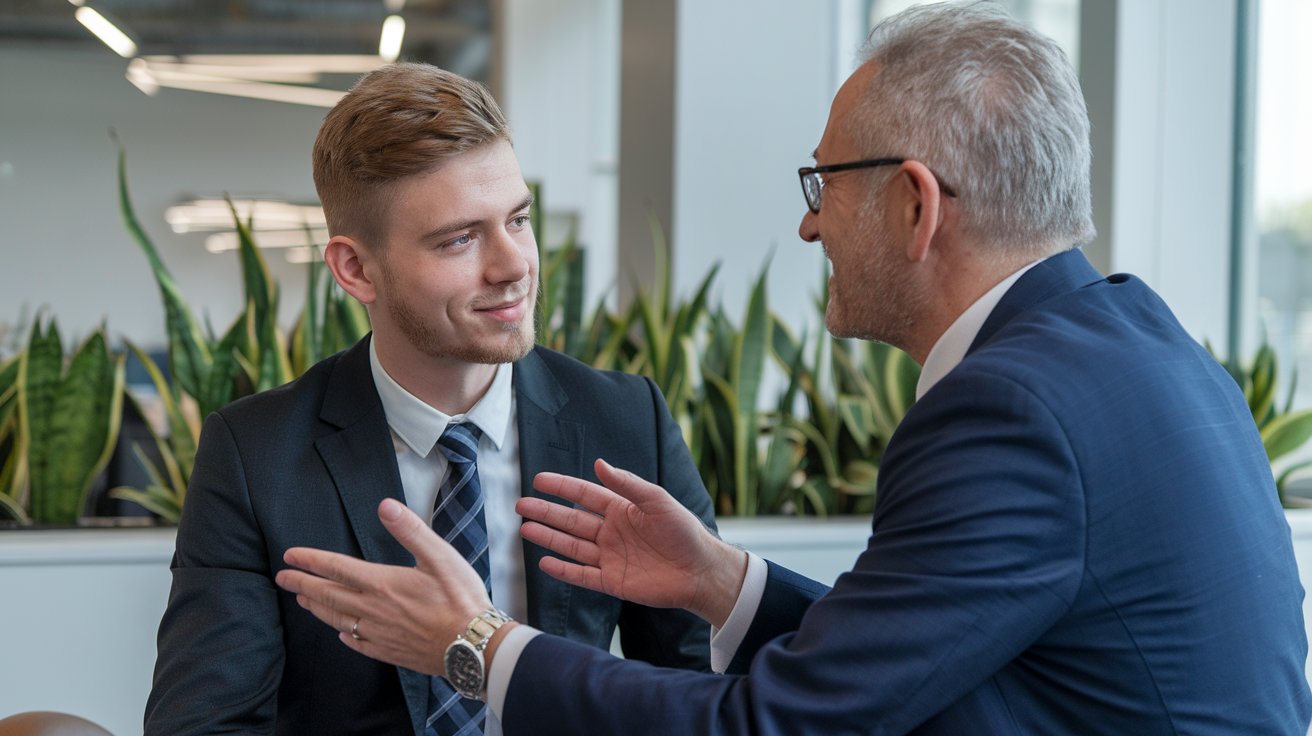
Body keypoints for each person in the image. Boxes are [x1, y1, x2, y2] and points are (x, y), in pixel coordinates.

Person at [274, 4, 1312, 734]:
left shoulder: (1008, 412)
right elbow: (913, 652)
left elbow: (782, 724)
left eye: (825, 181)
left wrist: (475, 647)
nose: (809, 220)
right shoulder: (1134, 342)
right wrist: (722, 581)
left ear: (914, 203)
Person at [143, 62, 716, 736]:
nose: (514, 267)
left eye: (519, 220)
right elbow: (205, 725)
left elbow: (702, 690)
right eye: (460, 239)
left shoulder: (624, 420)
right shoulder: (256, 453)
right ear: (356, 269)